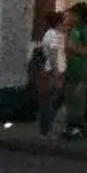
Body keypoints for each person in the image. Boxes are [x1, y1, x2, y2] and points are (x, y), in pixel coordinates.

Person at [62, 0, 87, 138]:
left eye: (72, 15)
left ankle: (77, 127)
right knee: (70, 98)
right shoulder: (73, 30)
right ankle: (70, 126)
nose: (69, 18)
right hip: (71, 68)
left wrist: (74, 49)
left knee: (78, 99)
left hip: (82, 69)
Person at [30, 9, 67, 140]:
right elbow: (53, 53)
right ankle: (47, 131)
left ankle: (47, 130)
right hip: (53, 72)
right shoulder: (54, 35)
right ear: (58, 23)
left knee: (52, 100)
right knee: (51, 101)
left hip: (54, 71)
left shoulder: (53, 34)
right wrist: (56, 71)